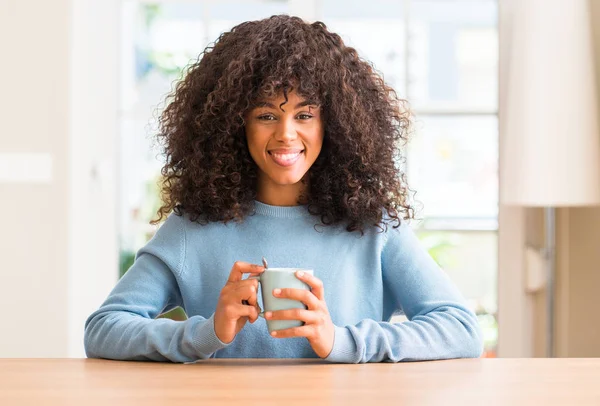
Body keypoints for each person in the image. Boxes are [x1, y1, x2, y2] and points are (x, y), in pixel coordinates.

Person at [84, 14, 483, 363]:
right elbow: (103, 329)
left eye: (305, 114)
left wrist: (342, 341)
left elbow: (460, 329)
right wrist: (208, 333)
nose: (286, 134)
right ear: (235, 124)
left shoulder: (372, 227)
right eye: (266, 114)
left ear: (335, 124)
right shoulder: (193, 226)